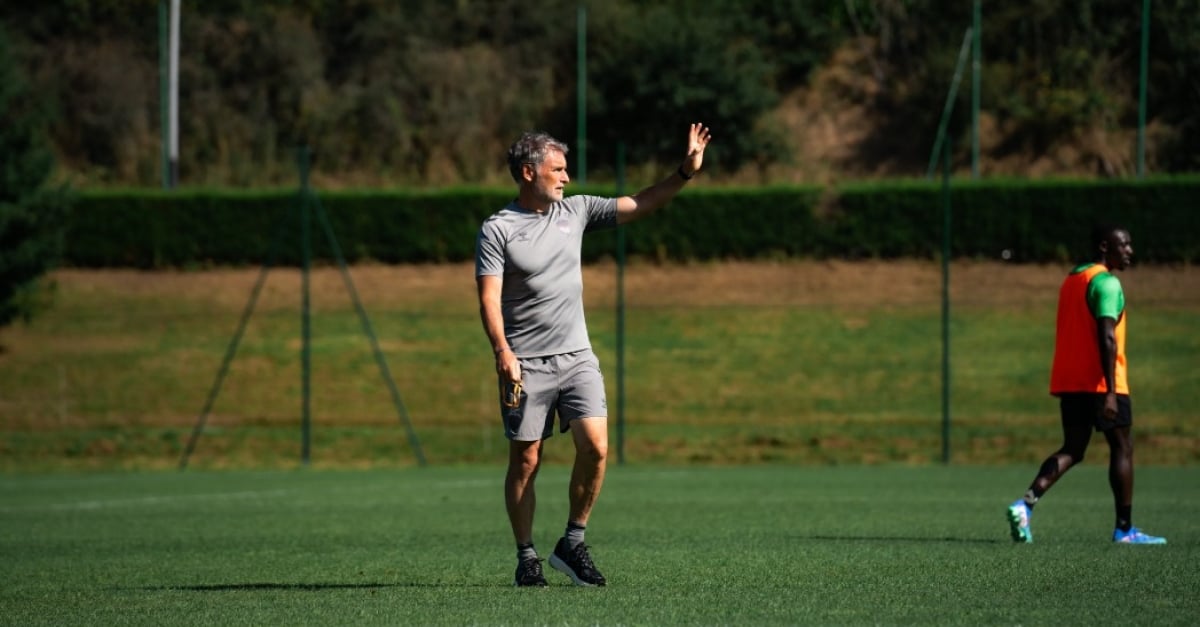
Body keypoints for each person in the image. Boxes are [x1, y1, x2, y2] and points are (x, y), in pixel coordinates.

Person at [476, 123, 713, 586]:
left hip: (577, 358)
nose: (567, 177)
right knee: (526, 461)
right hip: (526, 363)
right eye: (557, 169)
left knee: (597, 449)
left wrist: (685, 171)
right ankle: (527, 558)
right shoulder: (497, 229)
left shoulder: (577, 211)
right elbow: (488, 299)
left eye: (566, 169)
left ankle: (573, 543)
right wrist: (503, 352)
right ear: (528, 172)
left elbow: (644, 202)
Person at [1006, 225, 1166, 545]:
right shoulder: (1106, 283)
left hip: (1070, 381)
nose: (1130, 251)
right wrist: (1109, 390)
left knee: (1073, 449)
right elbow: (1107, 336)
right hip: (1102, 383)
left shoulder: (1072, 280)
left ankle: (1025, 504)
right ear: (1106, 247)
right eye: (1125, 245)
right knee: (1122, 447)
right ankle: (1124, 529)